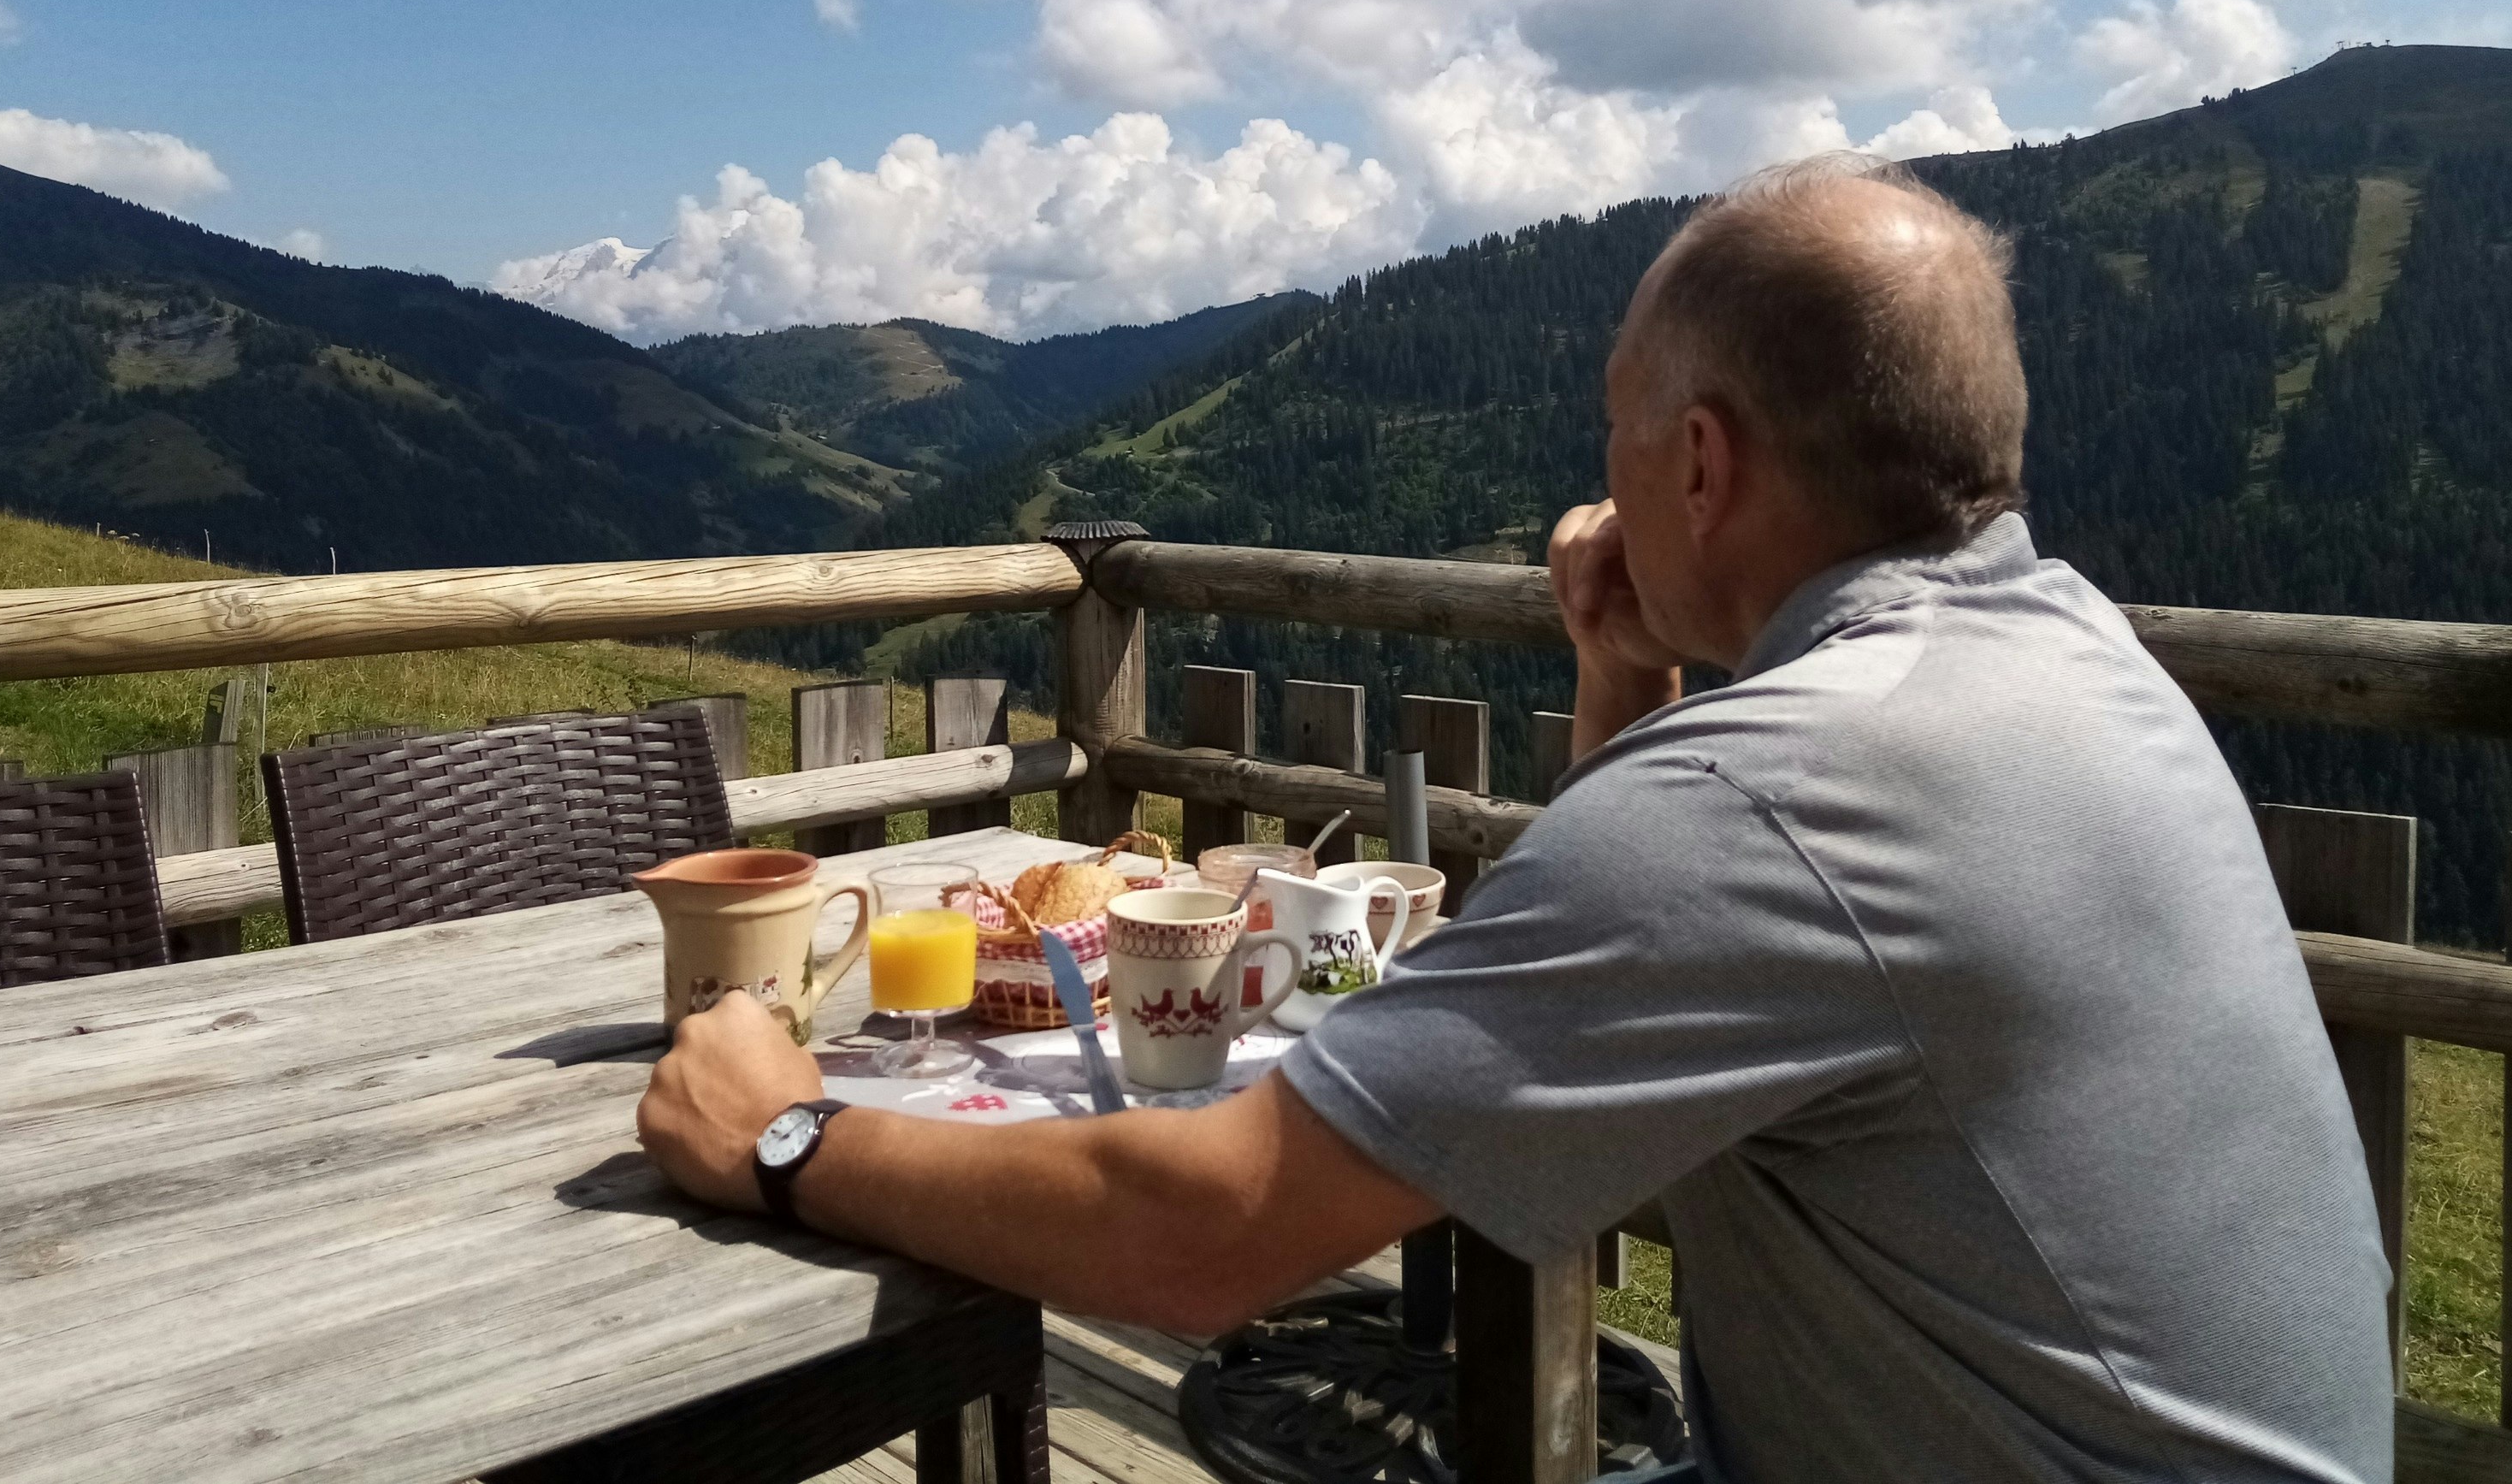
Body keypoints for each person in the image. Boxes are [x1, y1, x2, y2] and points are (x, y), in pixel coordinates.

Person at [639, 157, 2393, 1483]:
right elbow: (1623, 976)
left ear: (1698, 465)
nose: (1605, 477)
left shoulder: (1785, 786)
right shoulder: (2069, 656)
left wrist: (793, 1136)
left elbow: (1205, 1234)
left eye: (1619, 432)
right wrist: (1628, 688)